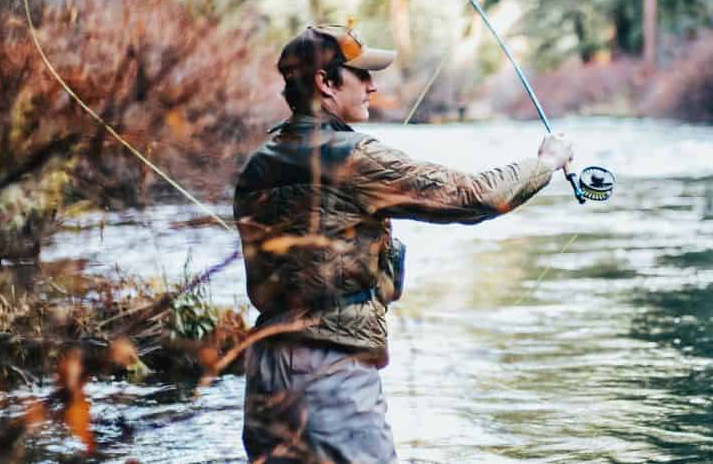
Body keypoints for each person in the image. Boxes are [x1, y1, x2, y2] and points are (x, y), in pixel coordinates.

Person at [234, 23, 573, 463]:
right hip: (329, 374)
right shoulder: (354, 158)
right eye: (361, 75)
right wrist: (545, 162)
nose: (373, 85)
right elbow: (474, 198)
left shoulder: (257, 165)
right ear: (324, 82)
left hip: (265, 372)